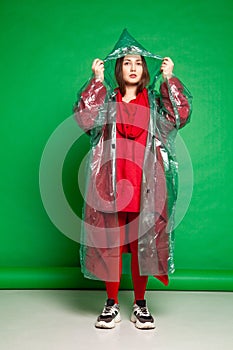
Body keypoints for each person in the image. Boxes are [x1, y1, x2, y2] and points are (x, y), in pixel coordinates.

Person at [73, 29, 192, 329]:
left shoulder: (153, 104)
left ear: (144, 70)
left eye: (138, 62)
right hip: (111, 186)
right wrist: (96, 84)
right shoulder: (107, 102)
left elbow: (180, 116)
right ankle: (111, 303)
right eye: (127, 62)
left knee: (144, 245)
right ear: (118, 68)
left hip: (146, 187)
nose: (133, 67)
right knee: (110, 245)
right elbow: (84, 119)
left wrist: (170, 81)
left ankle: (140, 303)